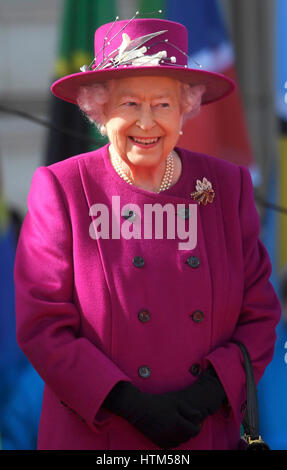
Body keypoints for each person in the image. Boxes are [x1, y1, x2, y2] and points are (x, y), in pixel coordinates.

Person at [14, 17, 281, 451]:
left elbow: (260, 315)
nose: (147, 121)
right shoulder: (63, 189)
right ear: (99, 110)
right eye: (129, 104)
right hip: (98, 436)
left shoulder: (227, 187)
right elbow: (42, 326)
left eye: (162, 104)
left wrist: (210, 391)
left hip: (202, 435)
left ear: (185, 109)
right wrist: (125, 401)